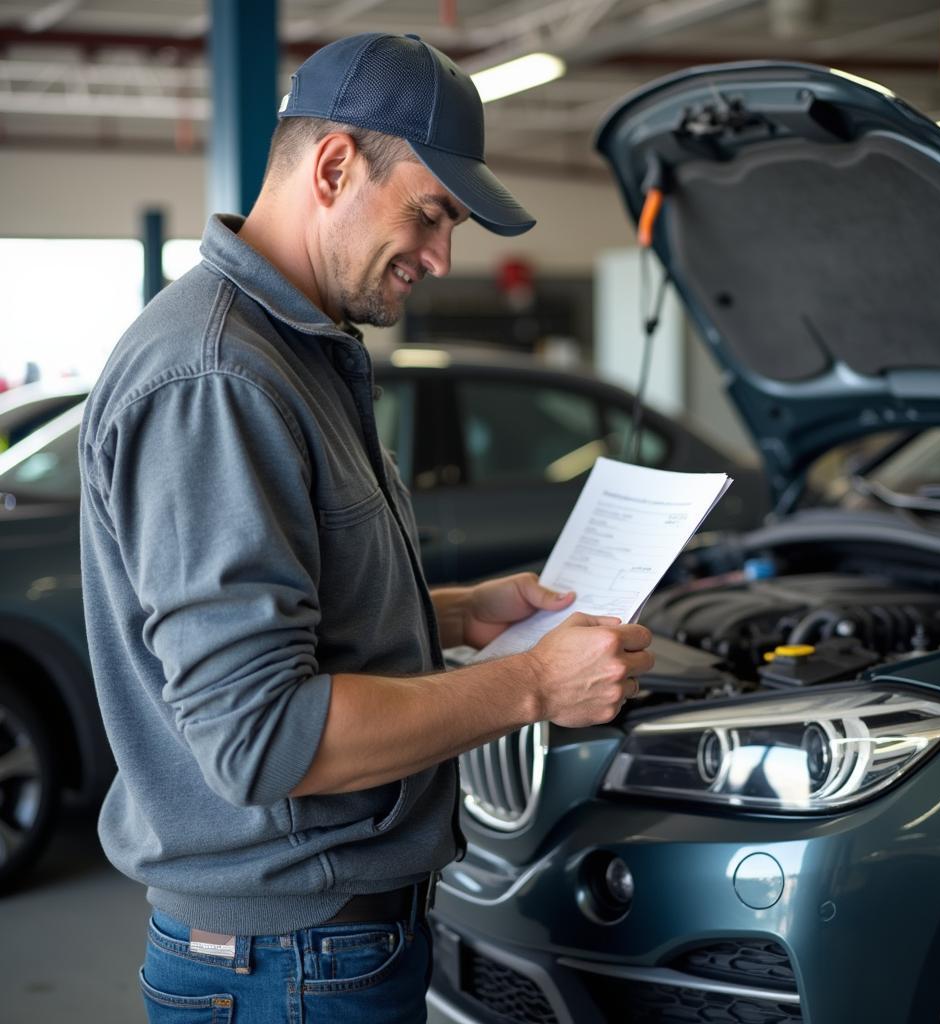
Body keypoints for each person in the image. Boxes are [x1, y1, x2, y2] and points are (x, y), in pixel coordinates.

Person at [79, 31, 653, 1024]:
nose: (439, 257)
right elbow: (261, 738)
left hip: (313, 943)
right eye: (431, 214)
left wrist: (458, 612)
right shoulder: (219, 377)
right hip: (285, 961)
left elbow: (289, 617)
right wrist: (528, 682)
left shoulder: (298, 346)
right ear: (335, 166)